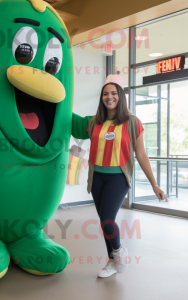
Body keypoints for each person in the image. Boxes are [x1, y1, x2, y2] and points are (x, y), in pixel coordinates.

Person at [71, 74, 167, 278]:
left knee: (107, 219)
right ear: (101, 98)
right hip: (97, 177)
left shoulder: (132, 122)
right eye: (105, 94)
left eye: (114, 93)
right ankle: (112, 262)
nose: (109, 97)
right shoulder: (94, 122)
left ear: (121, 96)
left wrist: (154, 185)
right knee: (106, 221)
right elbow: (69, 121)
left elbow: (141, 155)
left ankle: (119, 251)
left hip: (118, 178)